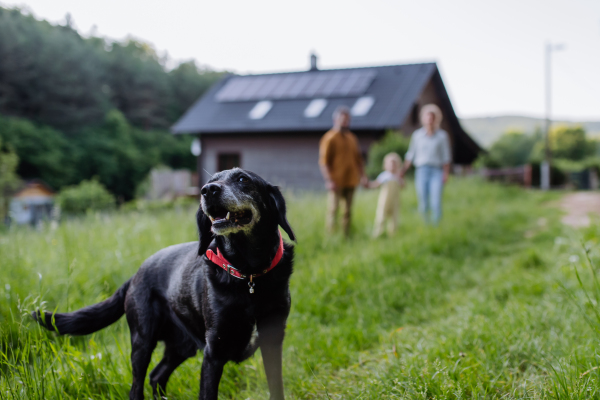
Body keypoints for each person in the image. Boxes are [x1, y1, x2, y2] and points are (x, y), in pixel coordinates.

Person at [319, 106, 366, 236]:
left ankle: (346, 235)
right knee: (333, 209)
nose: (345, 122)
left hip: (351, 180)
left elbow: (359, 160)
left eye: (347, 120)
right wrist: (329, 180)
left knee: (347, 211)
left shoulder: (352, 138)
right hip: (336, 181)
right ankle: (331, 235)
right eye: (342, 119)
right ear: (336, 120)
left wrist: (363, 177)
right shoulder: (329, 138)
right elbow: (324, 162)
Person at [401, 104, 451, 225]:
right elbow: (410, 155)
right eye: (427, 117)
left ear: (436, 119)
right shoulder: (417, 136)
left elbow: (446, 157)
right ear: (423, 118)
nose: (430, 120)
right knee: (423, 201)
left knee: (435, 201)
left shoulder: (442, 136)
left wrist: (446, 173)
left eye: (432, 117)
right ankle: (425, 225)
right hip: (421, 171)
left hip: (436, 171)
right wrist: (402, 172)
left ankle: (436, 226)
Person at [367, 152, 404, 237]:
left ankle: (393, 234)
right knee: (381, 217)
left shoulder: (398, 177)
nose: (392, 166)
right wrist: (368, 185)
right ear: (386, 165)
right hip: (384, 201)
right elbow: (376, 184)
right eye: (390, 164)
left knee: (394, 219)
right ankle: (378, 233)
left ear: (398, 165)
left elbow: (403, 186)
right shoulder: (384, 176)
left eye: (394, 164)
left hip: (395, 202)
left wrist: (402, 178)